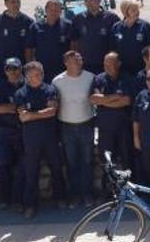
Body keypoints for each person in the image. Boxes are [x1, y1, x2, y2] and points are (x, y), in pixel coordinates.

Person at [16, 61, 66, 218]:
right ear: (26, 77)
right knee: (31, 172)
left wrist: (32, 114)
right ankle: (30, 205)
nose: (36, 77)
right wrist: (36, 114)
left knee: (57, 168)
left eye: (39, 74)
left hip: (50, 137)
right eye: (32, 75)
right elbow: (23, 117)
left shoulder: (50, 90)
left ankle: (61, 198)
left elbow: (52, 111)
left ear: (43, 74)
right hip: (31, 140)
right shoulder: (21, 94)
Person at [53, 51, 96, 208]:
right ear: (66, 62)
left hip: (86, 125)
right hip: (67, 127)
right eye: (73, 60)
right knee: (71, 163)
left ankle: (88, 194)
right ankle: (74, 195)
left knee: (87, 161)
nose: (77, 62)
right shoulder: (57, 81)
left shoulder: (91, 77)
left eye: (79, 59)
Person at [91, 52, 135, 196]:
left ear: (119, 64)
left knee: (127, 159)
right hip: (105, 128)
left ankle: (129, 192)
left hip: (123, 127)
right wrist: (116, 97)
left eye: (110, 63)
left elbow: (127, 101)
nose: (107, 66)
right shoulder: (98, 79)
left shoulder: (127, 78)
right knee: (107, 161)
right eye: (105, 63)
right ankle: (108, 192)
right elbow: (95, 99)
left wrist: (105, 101)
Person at [0, 57, 26, 211]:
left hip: (23, 132)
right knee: (3, 166)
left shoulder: (27, 85)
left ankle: (19, 200)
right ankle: (4, 198)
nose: (13, 72)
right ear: (5, 71)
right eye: (9, 69)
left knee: (22, 167)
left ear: (21, 69)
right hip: (5, 132)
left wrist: (8, 107)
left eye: (15, 68)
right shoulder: (0, 88)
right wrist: (16, 107)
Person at [70, 0, 121, 75]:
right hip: (85, 65)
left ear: (99, 0)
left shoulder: (111, 18)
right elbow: (73, 42)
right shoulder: (78, 18)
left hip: (106, 65)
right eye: (87, 0)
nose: (89, 3)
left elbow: (118, 40)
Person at [25, 0, 72, 82]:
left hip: (62, 71)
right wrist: (30, 67)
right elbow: (29, 49)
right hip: (41, 71)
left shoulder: (68, 25)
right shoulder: (35, 26)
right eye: (51, 10)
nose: (54, 12)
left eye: (57, 10)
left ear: (60, 12)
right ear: (45, 10)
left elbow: (73, 46)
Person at [112, 0, 150, 75]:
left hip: (141, 68)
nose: (137, 12)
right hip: (123, 69)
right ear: (125, 12)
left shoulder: (145, 26)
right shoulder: (116, 27)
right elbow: (113, 48)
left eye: (137, 10)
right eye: (133, 10)